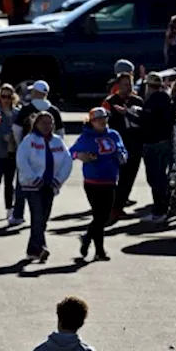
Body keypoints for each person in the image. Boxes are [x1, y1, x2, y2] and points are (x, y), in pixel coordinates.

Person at [70, 108, 126, 261]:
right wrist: (80, 156)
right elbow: (71, 152)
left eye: (104, 118)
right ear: (91, 121)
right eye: (97, 119)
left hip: (110, 179)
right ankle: (100, 251)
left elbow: (122, 149)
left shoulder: (113, 134)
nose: (102, 121)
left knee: (104, 216)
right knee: (99, 215)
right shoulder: (86, 136)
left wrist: (122, 155)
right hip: (92, 181)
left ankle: (87, 238)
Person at [15, 110, 71, 261]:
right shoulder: (29, 140)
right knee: (37, 216)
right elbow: (22, 160)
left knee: (43, 218)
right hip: (32, 186)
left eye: (50, 123)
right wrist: (33, 178)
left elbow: (67, 161)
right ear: (36, 124)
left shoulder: (57, 141)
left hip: (50, 185)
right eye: (43, 123)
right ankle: (41, 248)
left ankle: (33, 250)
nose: (47, 126)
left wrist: (58, 180)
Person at [9, 81, 63, 227]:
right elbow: (60, 133)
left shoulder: (27, 109)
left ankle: (18, 214)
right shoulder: (54, 110)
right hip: (48, 153)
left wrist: (20, 145)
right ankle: (42, 215)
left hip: (30, 151)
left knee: (22, 182)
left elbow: (16, 128)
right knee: (45, 181)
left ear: (36, 93)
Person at [102, 71, 143, 221]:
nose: (128, 88)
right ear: (118, 86)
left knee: (129, 178)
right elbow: (102, 123)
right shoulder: (110, 101)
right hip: (117, 145)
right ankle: (111, 207)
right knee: (115, 178)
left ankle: (119, 207)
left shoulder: (138, 101)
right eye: (125, 84)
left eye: (130, 84)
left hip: (135, 144)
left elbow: (143, 121)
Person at [139, 72, 175, 223]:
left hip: (155, 143)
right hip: (164, 142)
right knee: (162, 177)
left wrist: (130, 114)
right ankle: (166, 208)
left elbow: (148, 121)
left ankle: (160, 210)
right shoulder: (166, 98)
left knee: (156, 178)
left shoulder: (154, 100)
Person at [0, 84, 21, 222]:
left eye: (8, 96)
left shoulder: (17, 113)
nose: (6, 100)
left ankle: (9, 209)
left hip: (12, 152)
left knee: (9, 182)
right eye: (3, 96)